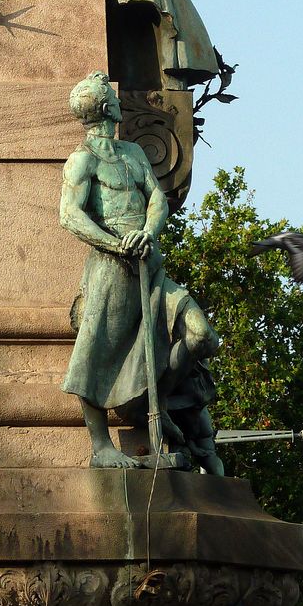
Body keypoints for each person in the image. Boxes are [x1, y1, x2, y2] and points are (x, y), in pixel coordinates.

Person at [59, 71, 222, 472]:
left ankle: (157, 399)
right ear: (104, 107)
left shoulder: (132, 152)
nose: (118, 99)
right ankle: (101, 446)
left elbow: (157, 200)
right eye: (110, 96)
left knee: (200, 336)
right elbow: (69, 215)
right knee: (95, 354)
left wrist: (147, 233)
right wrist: (117, 244)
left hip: (151, 263)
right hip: (111, 269)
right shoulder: (83, 159)